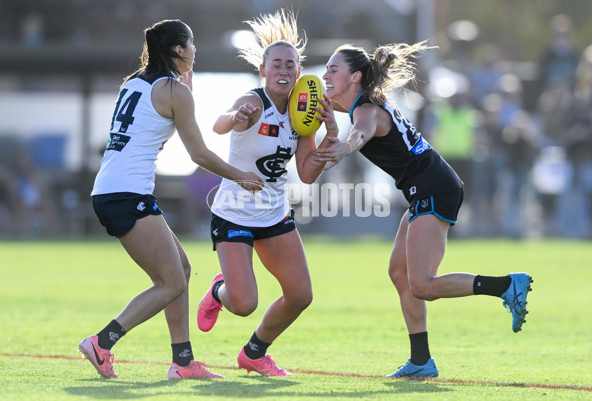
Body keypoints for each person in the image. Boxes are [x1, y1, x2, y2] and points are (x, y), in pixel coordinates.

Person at [313, 42, 533, 378]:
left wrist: (345, 147)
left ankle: (505, 286)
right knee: (400, 275)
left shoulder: (366, 110)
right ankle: (421, 361)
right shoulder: (365, 102)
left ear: (355, 77)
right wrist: (332, 131)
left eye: (333, 69)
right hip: (427, 188)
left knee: (423, 285)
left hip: (434, 188)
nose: (326, 75)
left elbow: (361, 133)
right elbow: (353, 127)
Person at [78, 19, 264, 380]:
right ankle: (102, 342)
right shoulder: (175, 91)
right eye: (191, 44)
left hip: (113, 189)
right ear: (179, 50)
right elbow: (199, 154)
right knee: (171, 282)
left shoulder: (134, 82)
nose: (195, 50)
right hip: (126, 192)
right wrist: (240, 175)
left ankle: (183, 362)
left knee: (182, 271)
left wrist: (184, 90)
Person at [195, 9, 337, 376]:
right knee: (243, 304)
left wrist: (331, 136)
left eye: (291, 65)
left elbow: (307, 174)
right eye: (276, 64)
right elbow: (218, 124)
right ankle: (218, 292)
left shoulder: (302, 114)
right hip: (234, 214)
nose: (284, 71)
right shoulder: (254, 101)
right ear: (263, 70)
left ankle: (254, 353)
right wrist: (236, 118)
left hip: (275, 215)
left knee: (301, 295)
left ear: (299, 72)